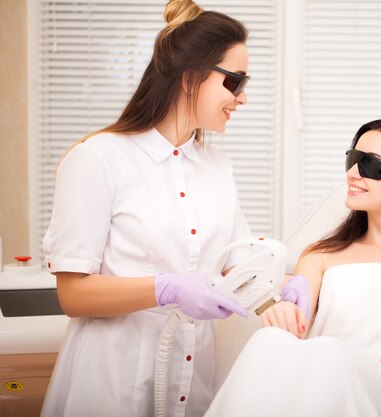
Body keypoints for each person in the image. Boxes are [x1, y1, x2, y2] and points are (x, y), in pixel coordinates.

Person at [39, 1, 290, 416]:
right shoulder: (98, 159)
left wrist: (278, 297)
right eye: (235, 82)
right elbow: (73, 294)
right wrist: (166, 288)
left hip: (193, 384)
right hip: (111, 384)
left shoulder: (216, 167)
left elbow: (236, 262)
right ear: (191, 77)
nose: (242, 98)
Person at [205, 119, 381, 417]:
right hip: (326, 394)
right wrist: (279, 312)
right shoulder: (320, 257)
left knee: (331, 355)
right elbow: (291, 333)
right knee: (271, 340)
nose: (353, 174)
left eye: (371, 165)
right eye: (353, 159)